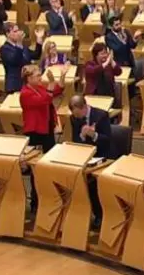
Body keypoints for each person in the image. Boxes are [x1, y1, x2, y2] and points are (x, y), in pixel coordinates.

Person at [69, 94, 112, 228]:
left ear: (84, 107)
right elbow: (75, 140)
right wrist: (82, 135)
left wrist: (94, 135)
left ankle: (100, 215)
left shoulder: (101, 116)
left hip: (103, 155)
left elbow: (107, 140)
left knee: (93, 183)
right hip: (85, 156)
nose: (78, 118)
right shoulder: (74, 118)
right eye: (75, 116)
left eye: (79, 115)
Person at [20, 64, 66, 153]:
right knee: (36, 156)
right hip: (35, 130)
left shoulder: (39, 88)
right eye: (37, 76)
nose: (40, 78)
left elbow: (57, 90)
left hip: (46, 126)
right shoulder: (25, 93)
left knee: (50, 154)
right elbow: (46, 99)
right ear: (29, 79)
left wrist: (62, 76)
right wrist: (51, 83)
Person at [0, 24, 44, 93]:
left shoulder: (23, 47)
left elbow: (36, 55)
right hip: (14, 85)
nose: (18, 33)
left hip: (27, 85)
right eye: (15, 31)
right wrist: (19, 44)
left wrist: (39, 38)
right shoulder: (4, 49)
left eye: (18, 30)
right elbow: (15, 60)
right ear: (7, 34)